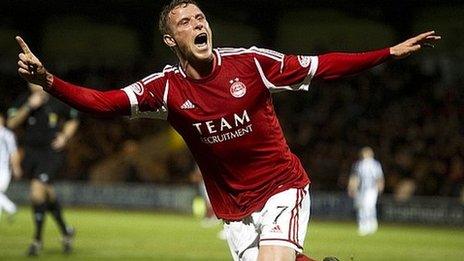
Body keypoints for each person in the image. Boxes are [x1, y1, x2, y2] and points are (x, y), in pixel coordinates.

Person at [14, 0, 440, 260]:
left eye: (201, 17)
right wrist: (50, 81)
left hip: (281, 189)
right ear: (169, 40)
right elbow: (106, 104)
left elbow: (321, 65)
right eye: (185, 22)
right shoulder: (164, 89)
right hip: (234, 210)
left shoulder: (250, 62)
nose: (199, 25)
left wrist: (388, 52)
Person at [6, 83, 79, 256]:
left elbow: (73, 118)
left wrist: (65, 137)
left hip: (51, 152)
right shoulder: (24, 100)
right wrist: (29, 106)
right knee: (47, 193)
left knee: (37, 192)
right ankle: (66, 231)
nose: (35, 84)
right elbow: (10, 123)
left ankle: (36, 241)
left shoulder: (57, 99)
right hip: (31, 153)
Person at [348, 147, 385, 236]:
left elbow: (379, 177)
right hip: (361, 189)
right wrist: (352, 187)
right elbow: (355, 177)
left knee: (369, 206)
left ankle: (371, 224)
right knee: (362, 207)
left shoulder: (375, 165)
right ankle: (363, 224)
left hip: (371, 189)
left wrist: (380, 186)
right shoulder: (359, 165)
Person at [0, 112, 22, 222]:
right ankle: (10, 208)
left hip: (3, 170)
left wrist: (16, 167)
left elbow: (13, 152)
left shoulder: (7, 135)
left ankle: (11, 208)